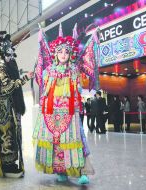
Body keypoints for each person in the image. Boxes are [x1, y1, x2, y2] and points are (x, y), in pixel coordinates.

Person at [33, 24, 97, 185]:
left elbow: (78, 89)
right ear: (55, 53)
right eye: (60, 51)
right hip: (51, 113)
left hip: (70, 112)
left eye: (66, 52)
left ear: (70, 54)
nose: (63, 54)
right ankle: (60, 171)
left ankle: (82, 172)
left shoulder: (74, 70)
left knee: (76, 141)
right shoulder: (48, 71)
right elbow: (45, 92)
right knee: (56, 144)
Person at [0, 31, 33, 178]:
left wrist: (21, 76)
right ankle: (7, 165)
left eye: (11, 54)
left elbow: (13, 82)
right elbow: (7, 87)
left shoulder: (10, 66)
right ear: (3, 54)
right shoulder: (1, 68)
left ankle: (11, 163)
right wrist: (25, 78)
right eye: (7, 54)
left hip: (12, 107)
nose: (10, 57)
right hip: (5, 108)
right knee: (6, 134)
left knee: (13, 134)